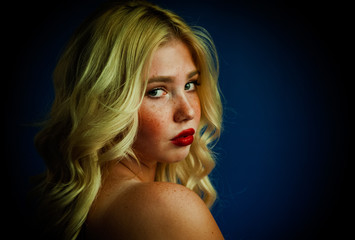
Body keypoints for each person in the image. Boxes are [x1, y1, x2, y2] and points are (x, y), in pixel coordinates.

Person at [33, 1, 223, 239]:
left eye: (190, 84)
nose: (188, 112)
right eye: (156, 91)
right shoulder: (169, 208)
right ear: (104, 101)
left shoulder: (82, 207)